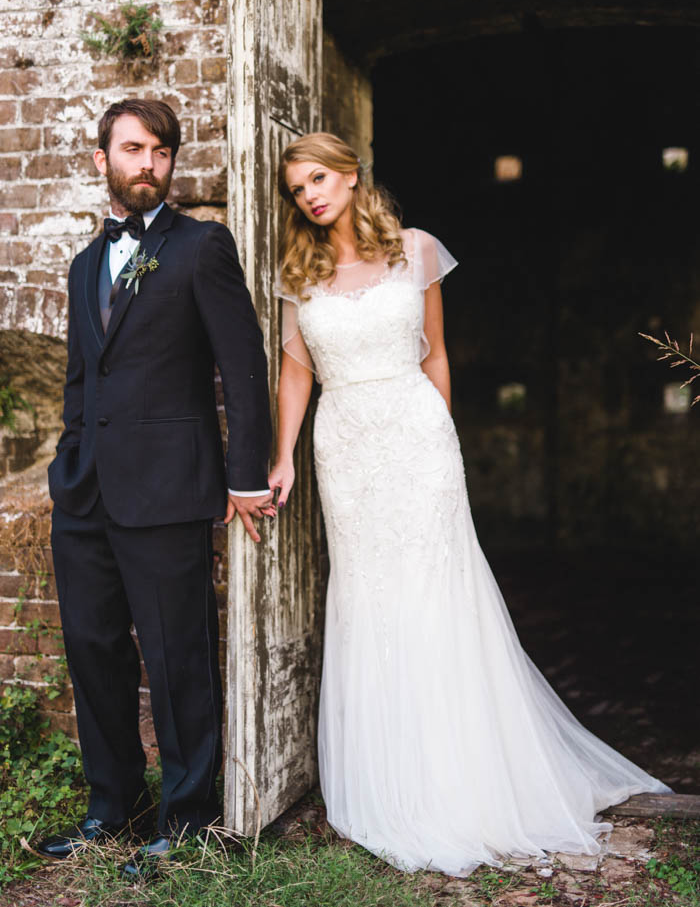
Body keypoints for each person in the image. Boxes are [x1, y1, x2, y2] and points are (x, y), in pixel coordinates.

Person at [269, 132, 670, 877]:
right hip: (346, 445)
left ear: (352, 175)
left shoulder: (416, 249)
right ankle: (391, 775)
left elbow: (436, 353)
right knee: (370, 595)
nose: (311, 197)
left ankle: (462, 774)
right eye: (298, 190)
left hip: (418, 438)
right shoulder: (301, 270)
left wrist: (440, 441)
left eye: (319, 179)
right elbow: (296, 374)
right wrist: (283, 452)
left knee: (434, 592)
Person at [39, 99, 274, 879]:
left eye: (163, 152)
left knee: (178, 659)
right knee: (94, 653)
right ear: (102, 158)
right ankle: (113, 809)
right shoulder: (81, 266)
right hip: (85, 496)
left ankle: (189, 817)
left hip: (169, 492)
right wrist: (67, 464)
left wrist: (244, 477)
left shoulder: (202, 248)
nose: (150, 163)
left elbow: (242, 370)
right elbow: (82, 381)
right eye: (134, 149)